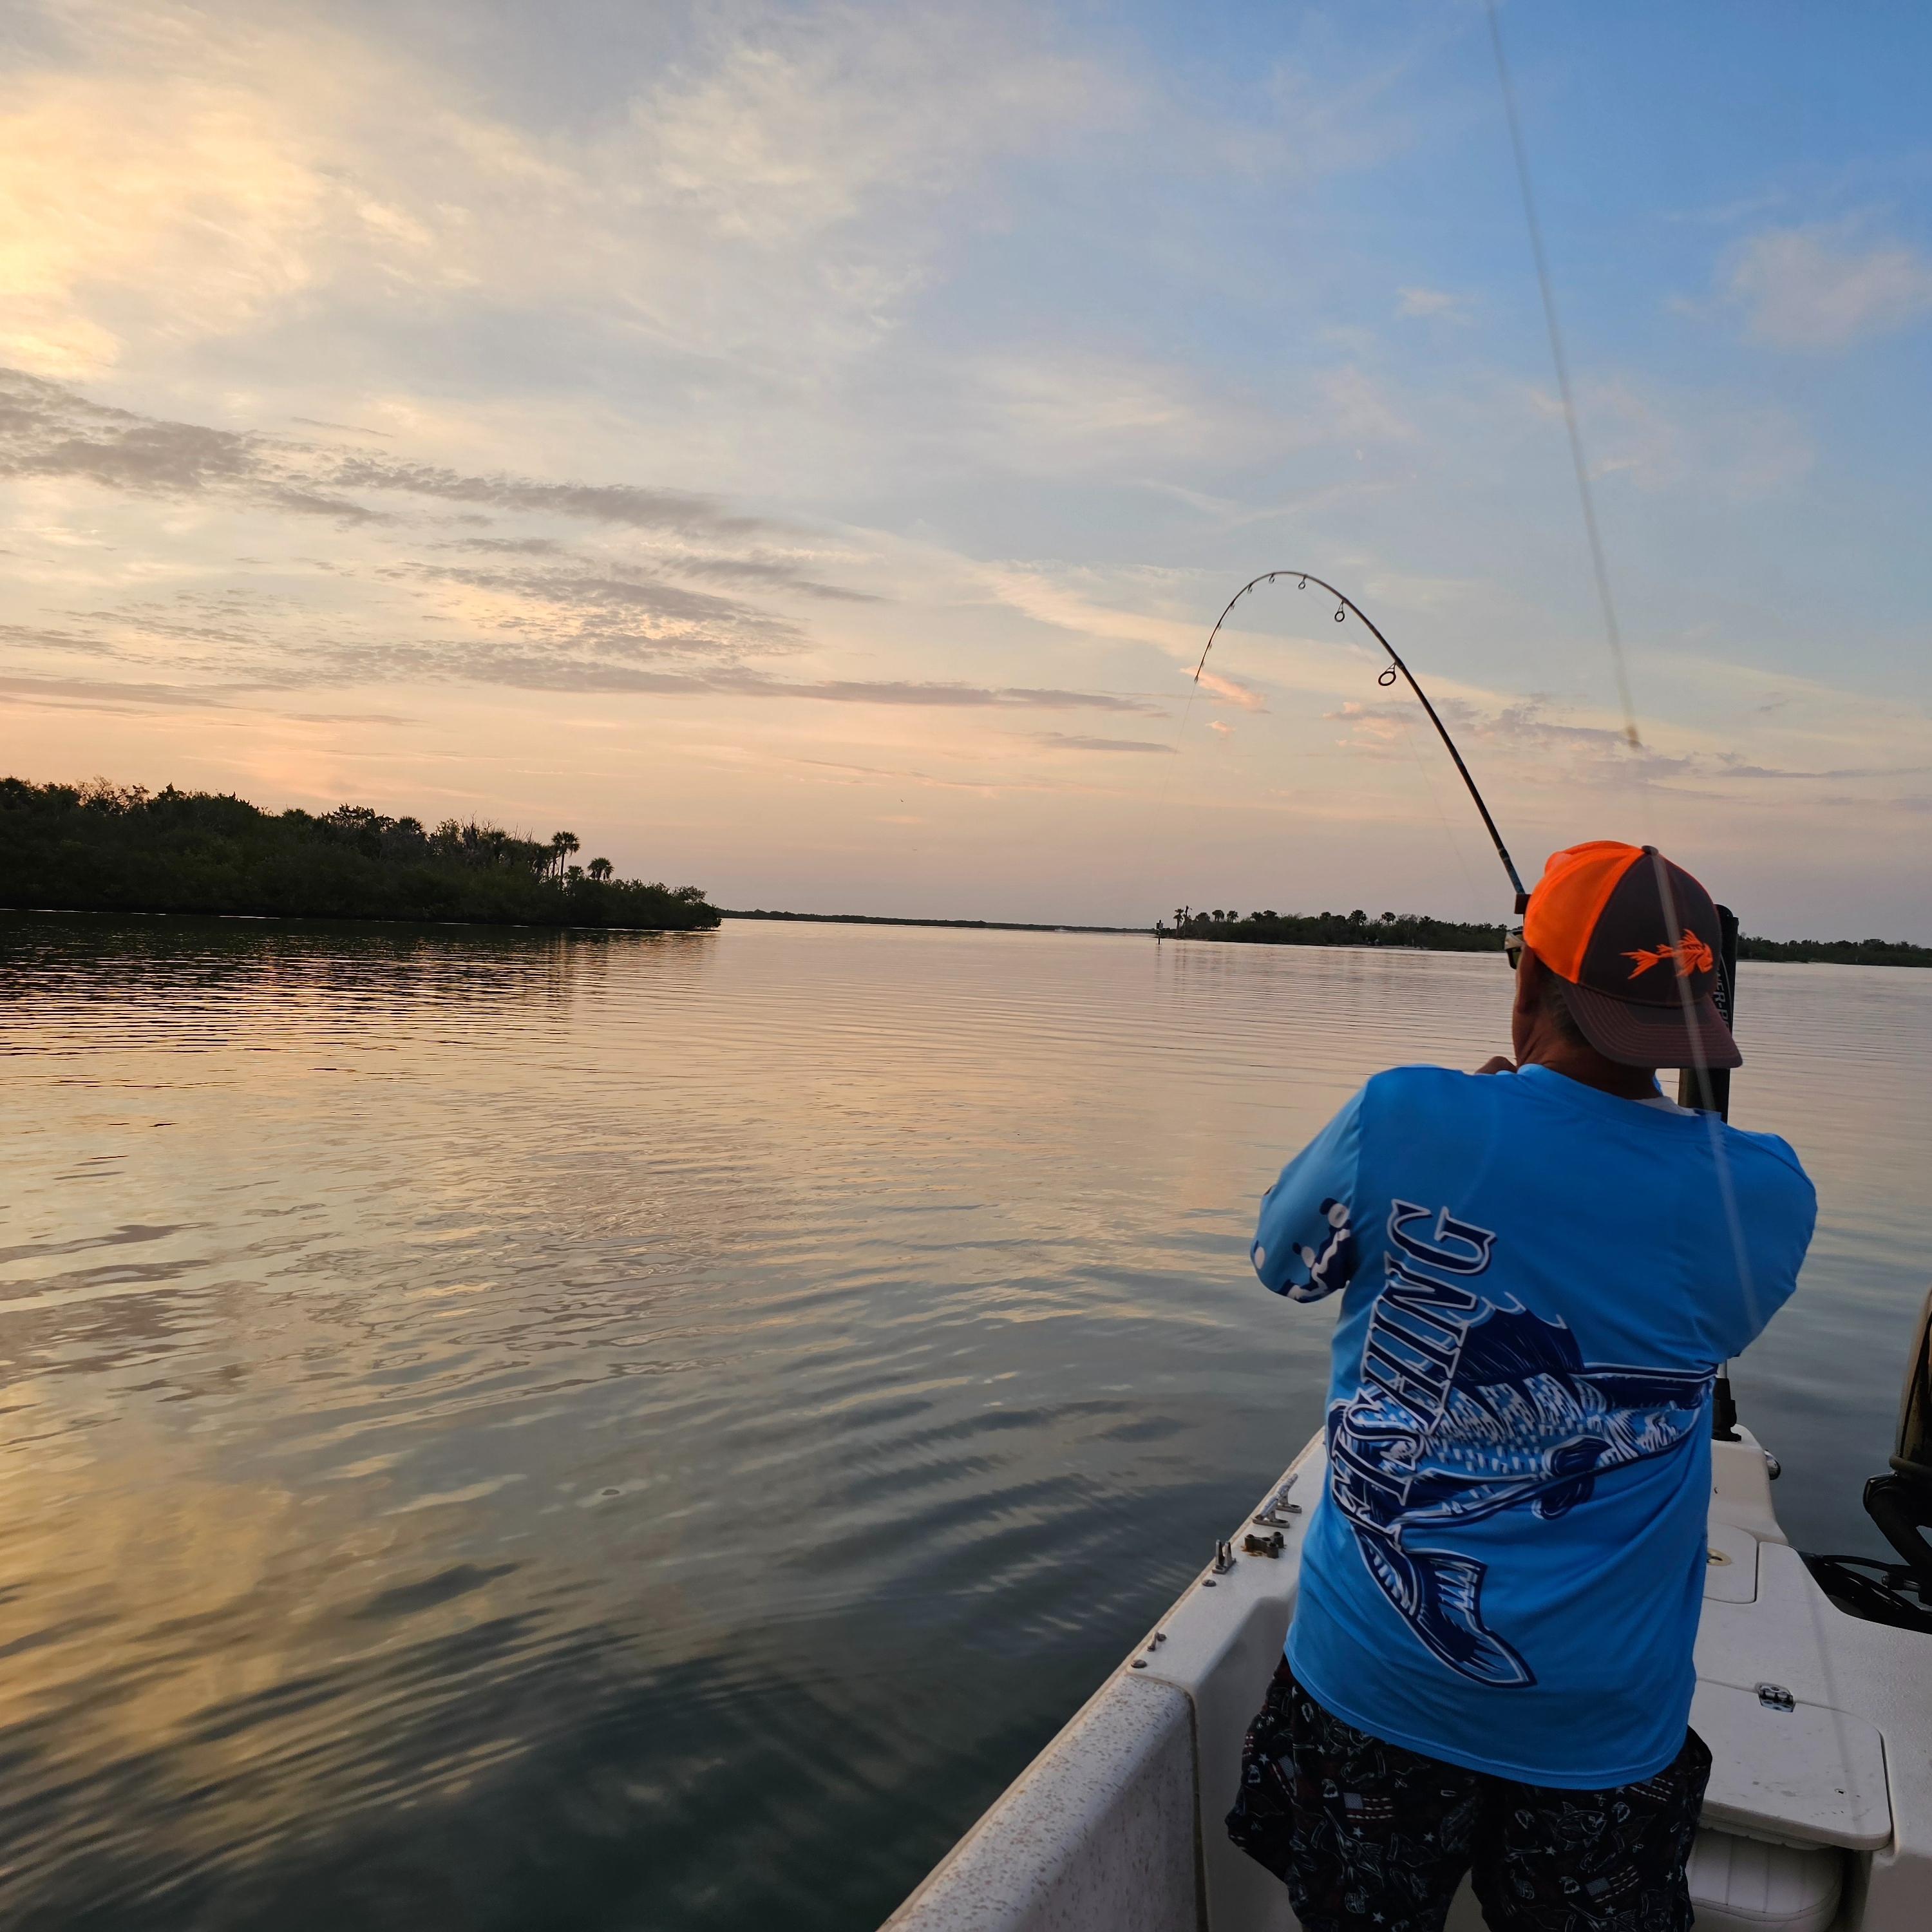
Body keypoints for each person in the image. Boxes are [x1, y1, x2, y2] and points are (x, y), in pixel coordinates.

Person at [1225, 840, 1816, 1932]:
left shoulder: (1404, 1116)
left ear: (1531, 977)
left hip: (1369, 1685)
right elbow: (1705, 1329)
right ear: (1696, 1014)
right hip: (1600, 1728)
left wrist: (1474, 1127)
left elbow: (1282, 1265)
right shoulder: (1766, 1191)